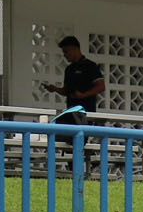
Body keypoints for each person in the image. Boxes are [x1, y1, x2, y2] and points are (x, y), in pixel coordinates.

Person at [42, 35, 105, 174]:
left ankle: (84, 170)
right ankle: (72, 170)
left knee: (81, 141)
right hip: (70, 113)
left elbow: (101, 86)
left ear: (75, 49)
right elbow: (67, 90)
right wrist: (55, 89)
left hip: (85, 113)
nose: (65, 55)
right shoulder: (69, 70)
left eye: (66, 51)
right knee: (67, 140)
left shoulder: (90, 66)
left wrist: (83, 95)